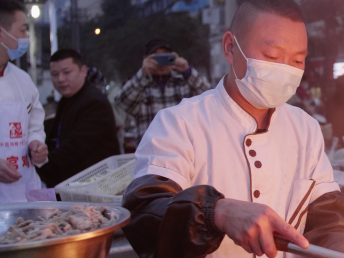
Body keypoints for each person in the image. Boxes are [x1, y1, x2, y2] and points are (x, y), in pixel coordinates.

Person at [122, 0, 344, 258]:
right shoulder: (180, 123)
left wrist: (339, 255)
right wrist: (215, 212)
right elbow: (146, 210)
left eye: (297, 60)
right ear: (229, 48)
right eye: (271, 55)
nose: (285, 69)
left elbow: (326, 214)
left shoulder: (305, 129)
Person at [37, 49, 120, 188]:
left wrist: (39, 166)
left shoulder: (94, 102)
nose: (61, 79)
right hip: (73, 185)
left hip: (94, 188)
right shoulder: (68, 99)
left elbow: (75, 148)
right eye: (55, 74)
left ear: (83, 71)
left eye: (67, 72)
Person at [115, 38, 212, 144]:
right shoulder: (140, 86)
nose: (161, 63)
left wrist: (187, 70)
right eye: (156, 58)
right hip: (150, 152)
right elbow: (122, 102)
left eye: (165, 57)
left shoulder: (183, 82)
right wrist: (143, 74)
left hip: (182, 149)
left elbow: (209, 97)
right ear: (145, 60)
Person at [0, 0, 48, 203]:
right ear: (1, 33)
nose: (26, 37)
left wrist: (36, 143)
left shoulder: (23, 80)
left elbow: (34, 125)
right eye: (22, 30)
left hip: (25, 192)